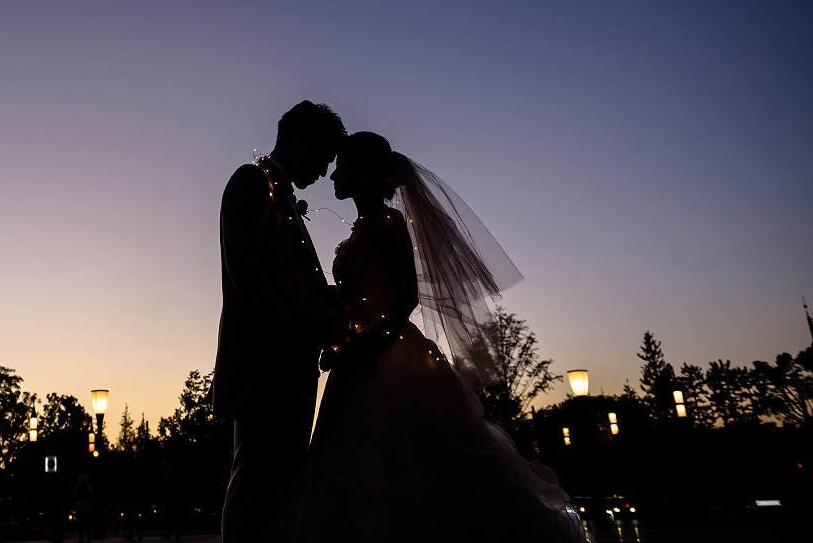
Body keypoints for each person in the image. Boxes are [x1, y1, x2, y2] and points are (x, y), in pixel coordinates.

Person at [277, 131, 586, 543]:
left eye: (344, 165)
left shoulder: (389, 224)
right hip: (357, 357)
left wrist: (365, 342)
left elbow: (404, 297)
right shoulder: (364, 226)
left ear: (366, 175)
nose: (334, 174)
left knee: (410, 458)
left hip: (387, 355)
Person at [212, 100, 351, 543]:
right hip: (263, 367)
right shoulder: (250, 182)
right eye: (324, 157)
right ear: (302, 141)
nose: (326, 172)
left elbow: (291, 281)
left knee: (280, 489)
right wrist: (301, 330)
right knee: (254, 488)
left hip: (290, 369)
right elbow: (247, 271)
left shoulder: (282, 195)